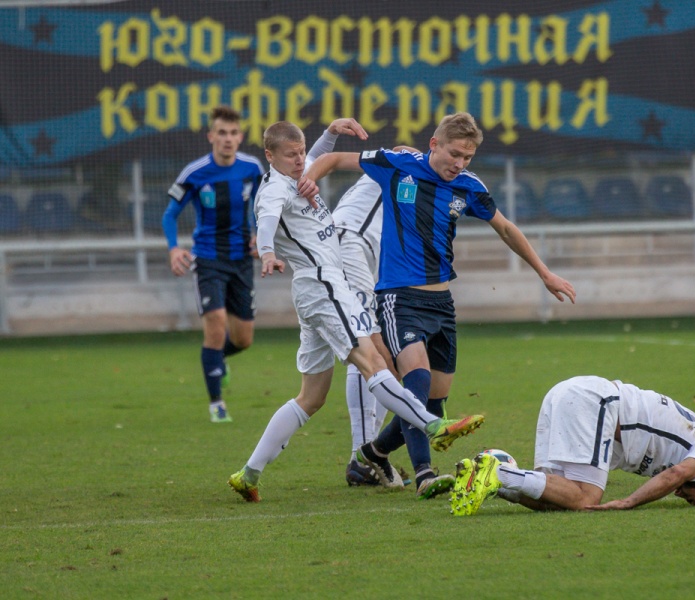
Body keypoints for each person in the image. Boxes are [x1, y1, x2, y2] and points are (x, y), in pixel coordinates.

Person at [299, 113, 576, 499]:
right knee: (417, 381)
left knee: (435, 405)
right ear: (434, 144)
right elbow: (334, 159)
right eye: (454, 154)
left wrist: (544, 273)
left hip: (442, 303)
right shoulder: (399, 166)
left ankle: (374, 452)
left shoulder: (469, 186)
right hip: (398, 297)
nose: (459, 163)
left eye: (467, 157)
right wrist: (310, 181)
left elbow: (506, 228)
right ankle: (425, 474)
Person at [227, 121, 484, 503]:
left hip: (314, 289)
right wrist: (266, 252)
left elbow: (317, 157)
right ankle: (431, 425)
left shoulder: (296, 172)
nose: (300, 160)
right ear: (270, 156)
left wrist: (330, 133)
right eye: (292, 155)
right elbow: (266, 219)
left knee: (311, 397)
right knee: (373, 360)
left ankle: (247, 474)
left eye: (301, 153)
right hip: (324, 284)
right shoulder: (275, 189)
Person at [450, 375, 695, 516]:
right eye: (690, 497)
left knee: (556, 500)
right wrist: (628, 502)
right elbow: (676, 476)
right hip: (596, 402)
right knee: (586, 499)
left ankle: (492, 479)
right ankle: (500, 472)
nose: (680, 495)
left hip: (570, 395)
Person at [163, 105, 264, 423]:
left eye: (233, 133)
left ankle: (216, 360)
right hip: (208, 259)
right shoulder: (194, 172)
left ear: (240, 137)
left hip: (241, 261)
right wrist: (173, 249)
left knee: (243, 339)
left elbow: (264, 207)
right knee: (216, 323)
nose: (228, 139)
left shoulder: (252, 168)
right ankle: (217, 404)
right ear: (211, 137)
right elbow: (170, 215)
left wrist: (261, 236)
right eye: (222, 133)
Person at [330, 174, 395, 487]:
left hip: (364, 253)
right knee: (365, 345)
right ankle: (362, 456)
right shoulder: (402, 161)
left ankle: (370, 454)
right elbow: (327, 161)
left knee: (386, 352)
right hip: (349, 244)